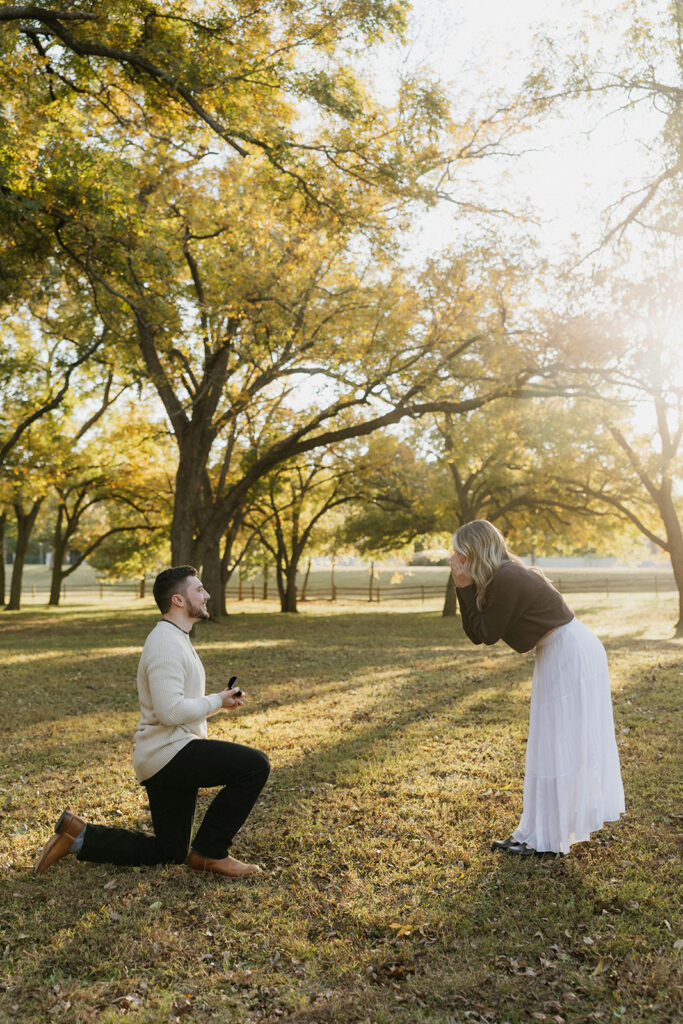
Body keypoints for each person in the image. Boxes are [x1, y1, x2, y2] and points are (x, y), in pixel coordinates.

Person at [34, 566, 270, 879]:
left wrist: (219, 701)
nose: (207, 594)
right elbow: (170, 713)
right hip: (169, 754)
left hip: (169, 754)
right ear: (178, 600)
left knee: (169, 852)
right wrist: (216, 700)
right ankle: (210, 853)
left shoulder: (176, 637)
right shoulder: (165, 643)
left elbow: (175, 704)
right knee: (255, 765)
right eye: (198, 589)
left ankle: (78, 837)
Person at [450, 520, 625, 857]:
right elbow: (478, 633)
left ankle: (549, 838)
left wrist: (463, 586)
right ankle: (534, 832)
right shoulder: (501, 577)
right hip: (558, 651)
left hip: (570, 652)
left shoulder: (507, 577)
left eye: (460, 551)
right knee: (548, 742)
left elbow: (485, 633)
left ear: (476, 550)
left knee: (557, 743)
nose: (455, 558)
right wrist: (464, 587)